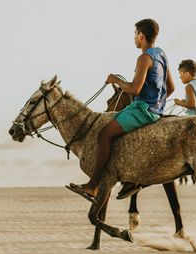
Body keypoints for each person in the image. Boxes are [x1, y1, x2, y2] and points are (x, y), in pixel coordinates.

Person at [69, 18, 175, 201]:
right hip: (157, 109)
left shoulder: (144, 58)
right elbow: (171, 88)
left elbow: (135, 89)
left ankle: (92, 186)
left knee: (104, 134)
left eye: (135, 34)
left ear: (141, 36)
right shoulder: (162, 55)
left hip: (143, 109)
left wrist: (115, 80)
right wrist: (158, 102)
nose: (134, 37)